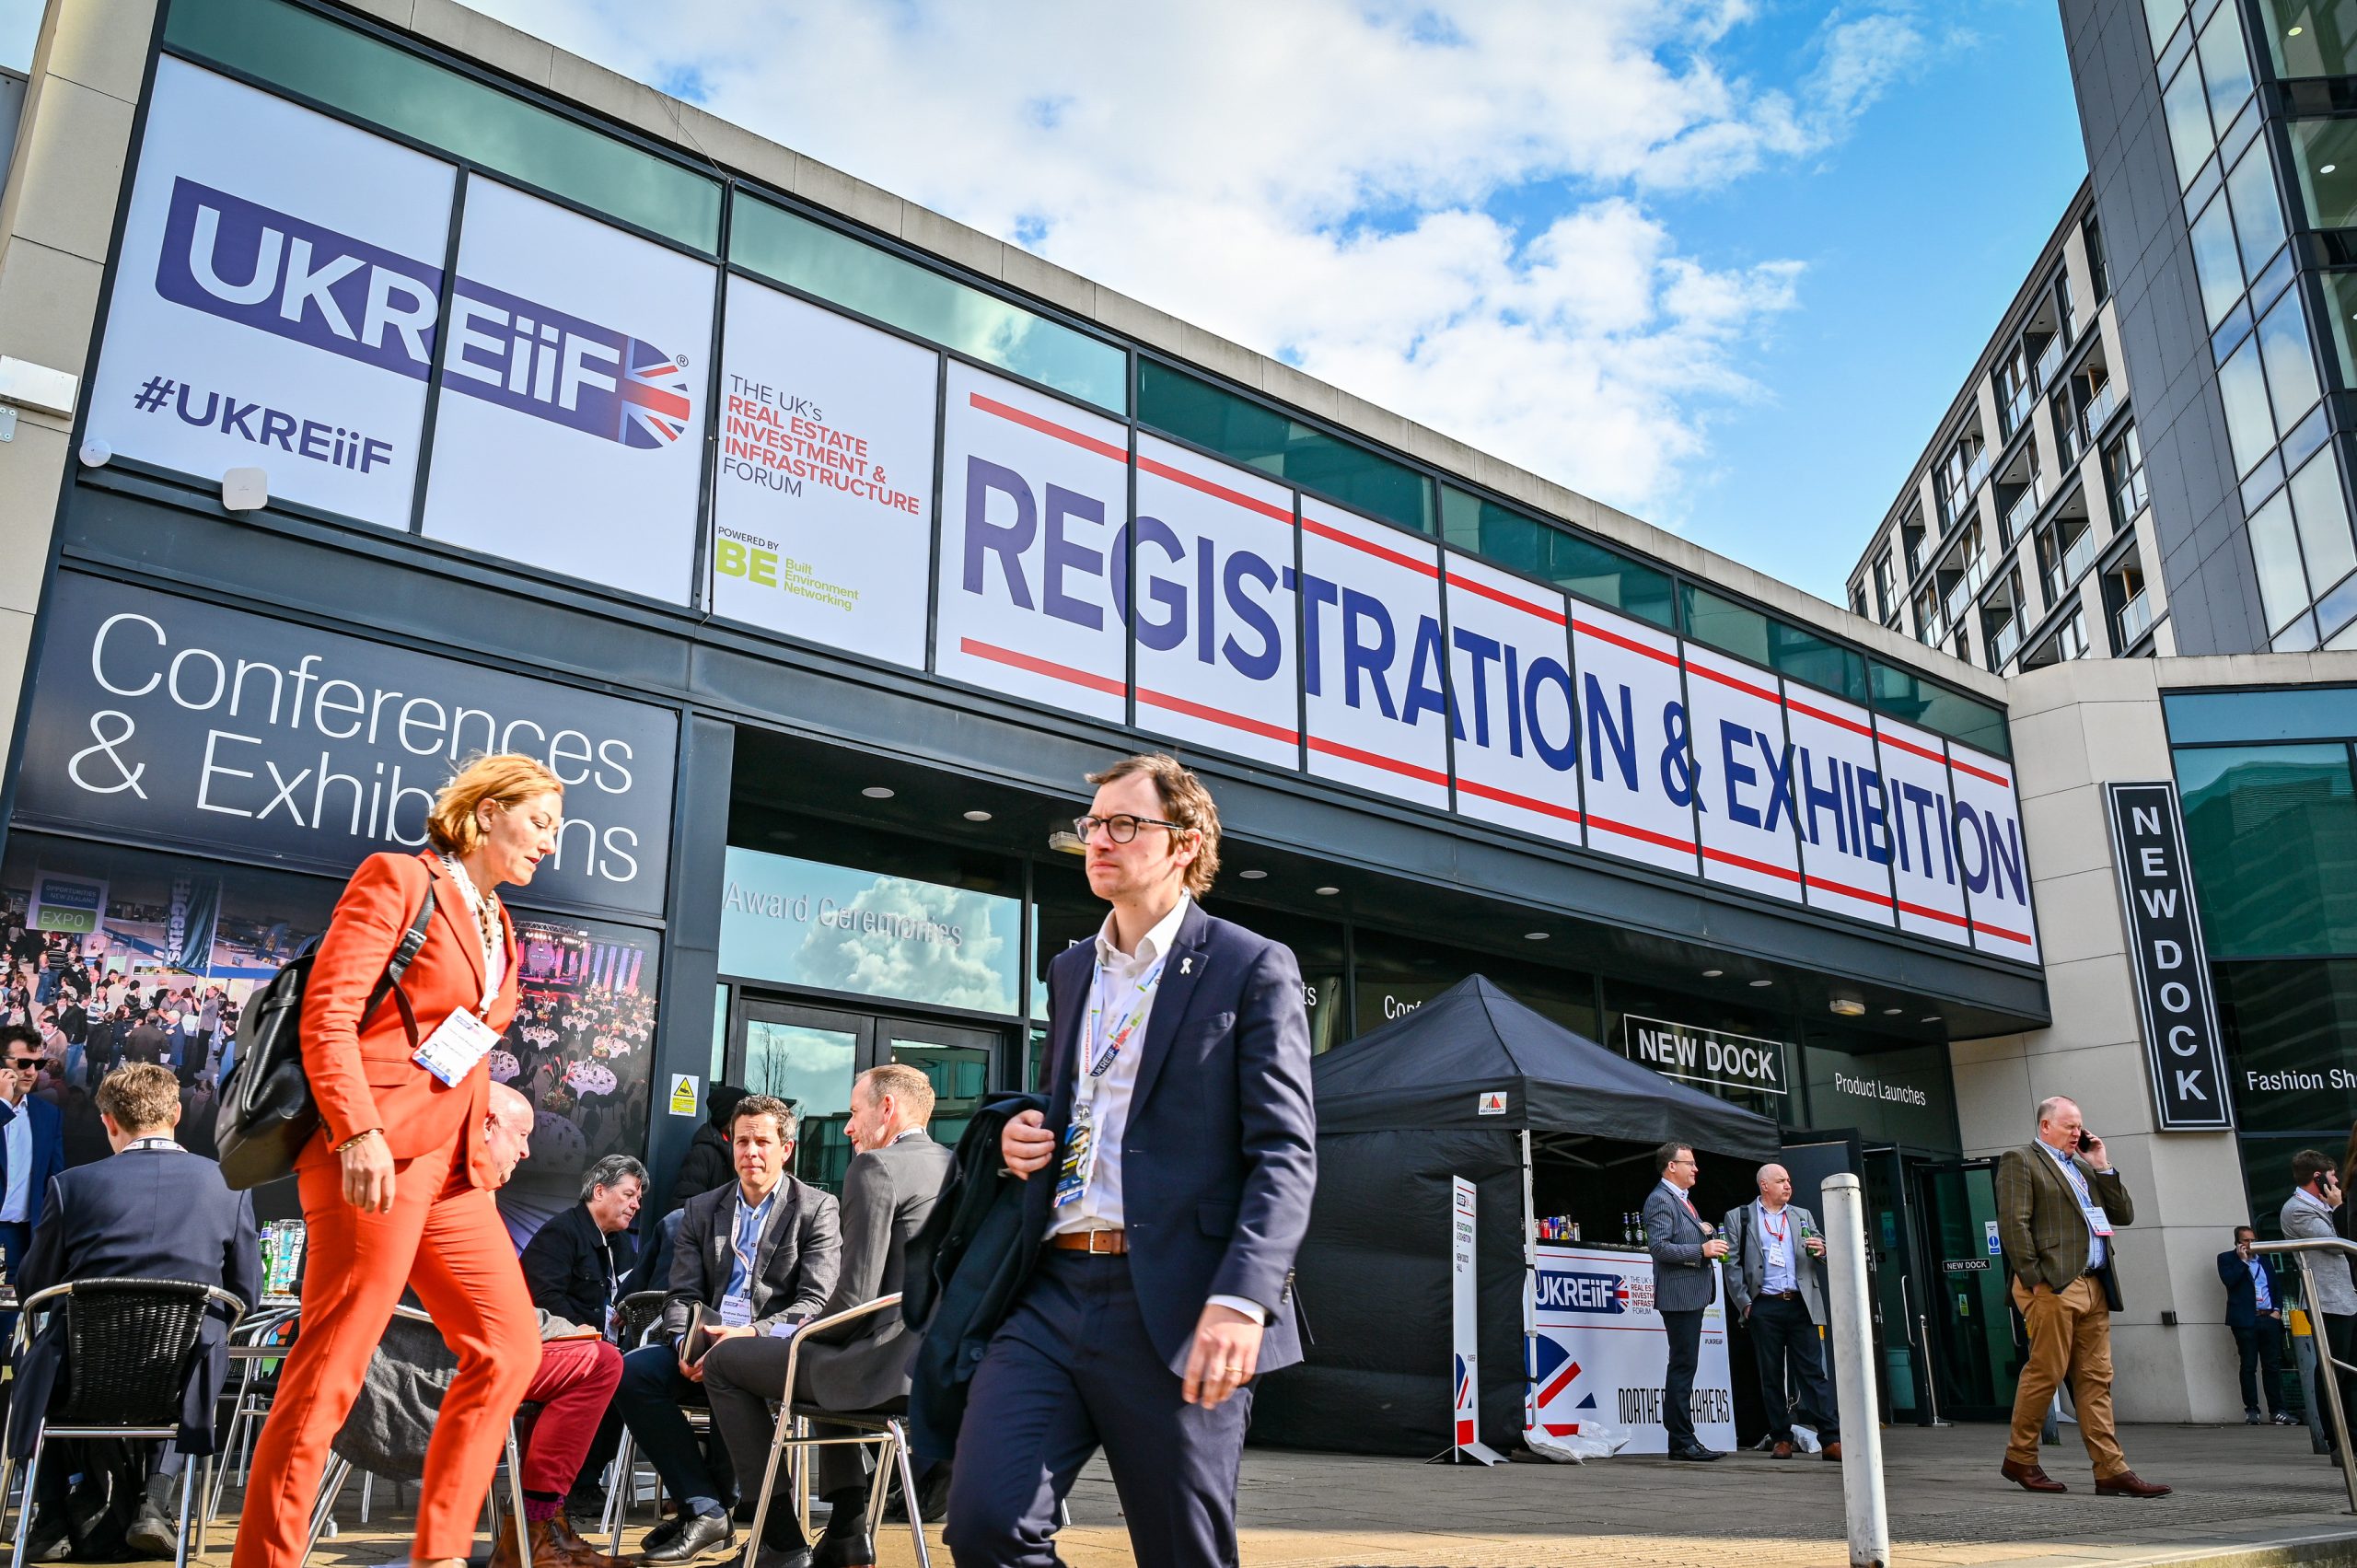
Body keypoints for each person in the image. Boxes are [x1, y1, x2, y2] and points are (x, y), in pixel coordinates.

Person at [946, 753, 1318, 1568]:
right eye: (1092, 825)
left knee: (1183, 1552)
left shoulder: (1250, 964)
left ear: (1184, 843)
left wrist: (1243, 1299)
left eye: (1124, 823)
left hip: (1180, 1300)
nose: (1098, 840)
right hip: (1050, 1287)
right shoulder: (1073, 967)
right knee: (984, 1524)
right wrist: (1018, 1133)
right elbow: (1079, 1103)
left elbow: (1285, 1152)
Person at [231, 754, 563, 1568]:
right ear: (486, 813)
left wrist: (482, 1134)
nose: (552, 844)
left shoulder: (500, 920)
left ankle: (441, 1553)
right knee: (331, 1369)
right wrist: (355, 1131)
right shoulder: (397, 878)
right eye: (542, 822)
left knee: (509, 1346)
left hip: (454, 1173)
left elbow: (470, 1046)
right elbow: (329, 1014)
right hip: (370, 1158)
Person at [6, 1063, 260, 1562]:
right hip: (180, 1379)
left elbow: (33, 1286)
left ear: (108, 1121)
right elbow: (244, 1293)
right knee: (205, 1343)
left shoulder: (70, 1186)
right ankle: (157, 1500)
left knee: (37, 1350)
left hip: (79, 1378)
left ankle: (52, 1513)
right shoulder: (228, 1185)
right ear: (178, 1114)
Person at [706, 1063, 957, 1568]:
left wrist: (788, 1331)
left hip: (878, 1367)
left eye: (854, 1112)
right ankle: (845, 1531)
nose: (846, 1126)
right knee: (819, 1360)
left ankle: (778, 1540)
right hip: (931, 1370)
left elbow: (856, 1299)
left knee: (726, 1363)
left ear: (886, 1109)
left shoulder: (876, 1167)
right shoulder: (957, 1165)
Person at [617, 1094, 839, 1564]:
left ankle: (745, 1524)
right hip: (704, 1345)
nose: (751, 1152)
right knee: (629, 1372)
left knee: (731, 1367)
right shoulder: (701, 1209)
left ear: (787, 1149)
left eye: (763, 1141)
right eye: (742, 1141)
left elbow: (815, 1302)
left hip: (768, 1349)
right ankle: (705, 1507)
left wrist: (753, 1334)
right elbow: (682, 1295)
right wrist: (684, 1342)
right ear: (730, 1144)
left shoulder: (816, 1209)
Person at [477, 1084, 633, 1568]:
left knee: (601, 1362)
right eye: (521, 1135)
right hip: (463, 1362)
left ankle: (542, 1525)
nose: (527, 1149)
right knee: (602, 1364)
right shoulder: (472, 1204)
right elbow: (510, 1305)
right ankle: (536, 1524)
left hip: (452, 1352)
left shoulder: (461, 1194)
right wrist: (572, 1333)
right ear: (485, 1126)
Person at [1995, 1096, 2167, 1496]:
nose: (2078, 1133)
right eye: (2070, 1126)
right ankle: (2020, 1458)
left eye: (2080, 1126)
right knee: (2047, 1372)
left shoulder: (2085, 1169)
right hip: (2053, 1284)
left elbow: (2122, 1214)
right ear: (2045, 1127)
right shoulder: (2021, 1159)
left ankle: (2110, 1469)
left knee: (2096, 1379)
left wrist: (2102, 1165)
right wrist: (2035, 1279)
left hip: (2096, 1283)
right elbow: (2014, 1223)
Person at [521, 1153, 648, 1522]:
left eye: (638, 1198)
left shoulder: (621, 1243)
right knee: (608, 1373)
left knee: (632, 1377)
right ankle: (567, 1492)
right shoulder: (561, 1234)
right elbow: (542, 1298)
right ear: (599, 1191)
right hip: (553, 1350)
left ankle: (580, 1484)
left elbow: (623, 1295)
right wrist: (585, 1331)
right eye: (628, 1195)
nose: (636, 1204)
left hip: (602, 1350)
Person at [1721, 1163, 1841, 1461]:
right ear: (1764, 1186)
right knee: (1771, 1375)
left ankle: (1830, 1438)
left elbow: (1823, 1250)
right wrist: (1746, 1304)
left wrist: (1823, 1250)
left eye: (1789, 1180)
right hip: (1766, 1304)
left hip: (1801, 1303)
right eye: (1781, 1181)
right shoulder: (1741, 1217)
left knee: (1814, 1373)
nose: (1788, 1185)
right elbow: (1731, 1264)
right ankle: (1781, 1438)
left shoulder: (1802, 1215)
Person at [1644, 1142, 1726, 1461]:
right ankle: (1681, 1440)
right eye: (1689, 1163)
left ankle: (1682, 1439)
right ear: (1671, 1167)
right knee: (1682, 1366)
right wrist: (1701, 1251)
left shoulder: (1681, 1200)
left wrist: (1703, 1231)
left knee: (1685, 1365)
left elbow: (1679, 1236)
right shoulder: (1661, 1200)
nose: (1696, 1168)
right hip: (1679, 1296)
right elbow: (1660, 1248)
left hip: (1692, 1294)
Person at [2283, 1150, 2357, 1460]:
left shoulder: (2320, 1206)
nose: (2338, 1182)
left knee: (2350, 1372)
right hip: (2328, 1300)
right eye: (2333, 1177)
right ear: (2318, 1178)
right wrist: (2339, 1207)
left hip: (2348, 1298)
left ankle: (2352, 1433)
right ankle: (2336, 1439)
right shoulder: (2298, 1210)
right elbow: (2338, 1243)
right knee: (2333, 1370)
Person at [0, 1022, 68, 1286]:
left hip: (21, 1238)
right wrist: (3, 1106)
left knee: (6, 1323)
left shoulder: (48, 1114)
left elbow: (55, 1180)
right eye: (23, 1063)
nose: (31, 1072)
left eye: (38, 1065)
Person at [2218, 1225, 2295, 1426]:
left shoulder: (2265, 1261)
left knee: (2272, 1365)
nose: (2250, 1244)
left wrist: (2277, 1310)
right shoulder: (2226, 1259)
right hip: (2245, 1320)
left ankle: (2278, 1410)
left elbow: (2276, 1287)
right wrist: (2243, 1262)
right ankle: (2252, 1409)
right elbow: (2229, 1281)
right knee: (2249, 1365)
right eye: (2245, 1240)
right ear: (2237, 1242)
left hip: (2268, 1318)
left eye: (2252, 1240)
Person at [670, 1084, 748, 1204]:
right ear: (728, 1118)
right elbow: (684, 1206)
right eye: (742, 1115)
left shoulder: (748, 1151)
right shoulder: (702, 1154)